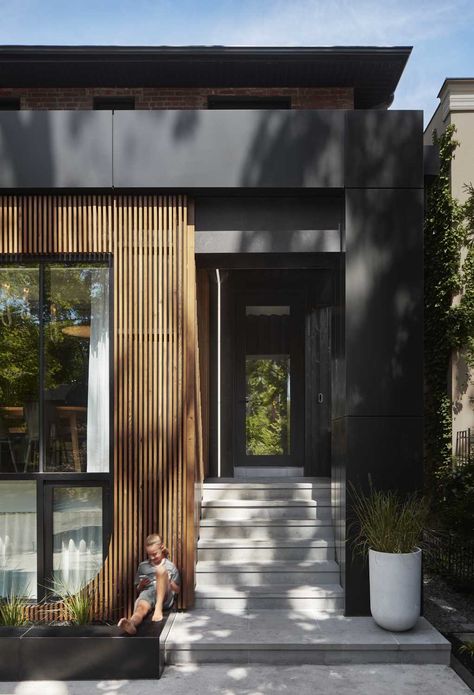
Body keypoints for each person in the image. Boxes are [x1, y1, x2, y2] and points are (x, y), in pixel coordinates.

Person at [118, 533, 180, 635]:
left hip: (165, 595)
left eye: (155, 554)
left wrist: (169, 581)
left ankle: (158, 608)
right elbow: (138, 589)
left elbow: (177, 590)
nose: (152, 557)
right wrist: (141, 585)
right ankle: (132, 623)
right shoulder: (143, 566)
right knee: (140, 609)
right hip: (148, 593)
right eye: (149, 554)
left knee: (160, 570)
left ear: (162, 548)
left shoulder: (170, 566)